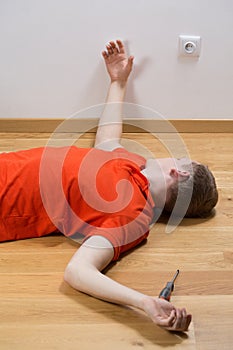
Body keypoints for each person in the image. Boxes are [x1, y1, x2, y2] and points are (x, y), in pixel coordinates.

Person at [0, 40, 218, 332]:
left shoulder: (133, 217)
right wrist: (118, 82)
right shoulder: (132, 163)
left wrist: (144, 303)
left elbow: (78, 271)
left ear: (177, 172)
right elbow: (106, 139)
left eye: (178, 157)